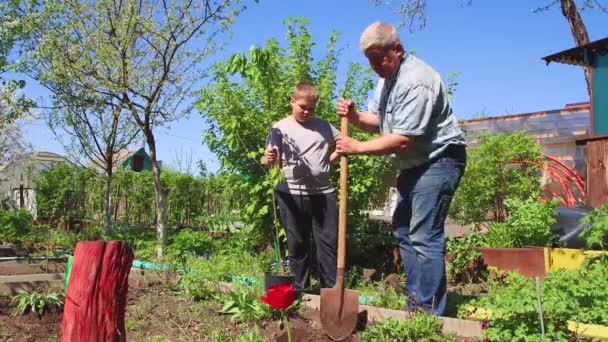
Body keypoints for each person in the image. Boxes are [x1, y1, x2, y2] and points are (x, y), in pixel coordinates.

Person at [335, 22, 467, 315]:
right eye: (369, 59)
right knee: (405, 229)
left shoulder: (416, 79)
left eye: (378, 57)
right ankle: (416, 301)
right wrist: (356, 116)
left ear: (397, 49)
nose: (374, 65)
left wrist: (356, 147)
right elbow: (379, 120)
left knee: (424, 234)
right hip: (414, 166)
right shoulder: (387, 80)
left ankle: (429, 311)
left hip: (439, 160)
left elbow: (404, 139)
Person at [262, 81, 340, 292]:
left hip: (323, 194)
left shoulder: (324, 126)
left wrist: (329, 160)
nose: (306, 112)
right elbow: (267, 160)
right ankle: (301, 291)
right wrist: (269, 158)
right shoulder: (279, 128)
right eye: (302, 107)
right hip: (291, 193)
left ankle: (330, 291)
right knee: (297, 244)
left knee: (327, 244)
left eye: (311, 108)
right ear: (292, 101)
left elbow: (342, 144)